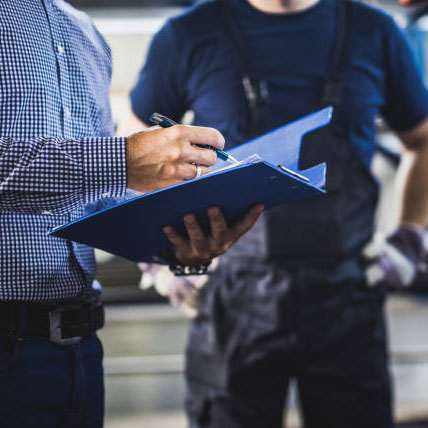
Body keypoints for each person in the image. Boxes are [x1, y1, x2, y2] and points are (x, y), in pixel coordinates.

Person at [126, 0, 428, 426]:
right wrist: (154, 253)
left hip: (347, 296)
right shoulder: (188, 34)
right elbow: (134, 146)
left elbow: (423, 140)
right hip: (232, 298)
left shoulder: (376, 31)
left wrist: (409, 237)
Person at [0, 1, 264, 427]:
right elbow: (107, 165)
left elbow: (89, 193)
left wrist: (176, 240)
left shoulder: (83, 32)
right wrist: (122, 159)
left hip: (78, 352)